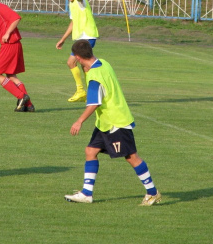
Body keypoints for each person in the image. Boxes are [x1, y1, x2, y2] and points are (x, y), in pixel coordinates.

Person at [64, 40, 161, 206]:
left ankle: (152, 193)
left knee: (131, 157)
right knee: (90, 151)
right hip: (105, 123)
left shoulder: (95, 78)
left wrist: (79, 121)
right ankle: (87, 193)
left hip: (116, 122)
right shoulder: (103, 63)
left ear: (78, 57)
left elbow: (94, 103)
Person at [56, 0, 99, 103]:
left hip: (87, 37)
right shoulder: (71, 4)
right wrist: (63, 39)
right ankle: (93, 92)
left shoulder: (81, 0)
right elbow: (73, 22)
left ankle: (81, 90)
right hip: (82, 38)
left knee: (71, 62)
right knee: (86, 66)